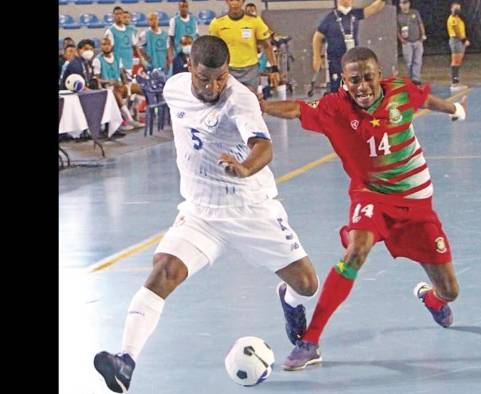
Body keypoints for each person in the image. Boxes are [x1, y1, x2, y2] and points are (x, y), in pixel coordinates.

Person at [93, 35, 320, 392]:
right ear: (189, 70)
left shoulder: (240, 99)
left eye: (221, 77)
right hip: (201, 212)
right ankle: (125, 360)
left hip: (249, 209)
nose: (214, 86)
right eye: (205, 78)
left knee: (306, 285)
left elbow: (263, 146)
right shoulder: (174, 88)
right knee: (163, 272)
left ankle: (288, 301)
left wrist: (245, 168)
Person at [260, 47, 467, 370]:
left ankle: (433, 298)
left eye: (368, 77)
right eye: (354, 80)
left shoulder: (399, 91)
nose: (362, 86)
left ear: (379, 74)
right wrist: (260, 106)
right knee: (356, 251)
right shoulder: (334, 107)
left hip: (416, 202)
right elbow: (297, 109)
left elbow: (423, 99)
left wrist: (452, 107)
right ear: (344, 80)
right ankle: (310, 341)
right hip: (371, 196)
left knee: (451, 291)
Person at [313, 0, 386, 93]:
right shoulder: (330, 17)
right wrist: (317, 56)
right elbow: (317, 37)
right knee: (337, 88)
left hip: (352, 60)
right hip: (336, 60)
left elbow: (373, 8)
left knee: (355, 86)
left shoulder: (355, 14)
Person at [208, 0, 280, 93]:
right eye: (231, 0)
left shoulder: (255, 21)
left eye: (238, 0)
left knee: (250, 101)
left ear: (243, 1)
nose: (235, 3)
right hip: (228, 69)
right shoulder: (217, 23)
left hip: (250, 70)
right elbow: (212, 49)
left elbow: (267, 46)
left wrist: (274, 68)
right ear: (226, 1)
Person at [92, 37, 144, 130]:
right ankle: (129, 119)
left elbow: (121, 72)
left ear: (111, 45)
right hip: (107, 88)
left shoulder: (116, 56)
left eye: (108, 44)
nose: (106, 47)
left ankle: (136, 110)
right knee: (116, 93)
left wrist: (125, 82)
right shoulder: (97, 60)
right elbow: (97, 79)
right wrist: (109, 81)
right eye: (104, 45)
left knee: (138, 87)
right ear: (101, 46)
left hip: (119, 85)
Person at [105, 6, 146, 73]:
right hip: (117, 65)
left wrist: (141, 58)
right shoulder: (110, 31)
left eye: (120, 14)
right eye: (116, 14)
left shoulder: (130, 30)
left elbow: (135, 46)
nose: (118, 16)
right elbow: (108, 50)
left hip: (129, 63)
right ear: (113, 16)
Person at [397, 0, 427, 85]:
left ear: (409, 4)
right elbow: (397, 30)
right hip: (407, 42)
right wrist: (401, 40)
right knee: (409, 61)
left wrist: (423, 35)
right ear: (400, 5)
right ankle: (410, 78)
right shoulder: (398, 16)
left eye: (406, 3)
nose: (404, 5)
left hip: (417, 40)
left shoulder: (415, 13)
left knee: (417, 61)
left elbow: (420, 24)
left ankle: (416, 79)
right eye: (402, 3)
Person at [167, 0, 198, 65]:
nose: (184, 8)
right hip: (178, 54)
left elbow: (196, 37)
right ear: (179, 7)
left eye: (186, 6)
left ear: (188, 7)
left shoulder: (194, 20)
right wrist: (170, 55)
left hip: (192, 54)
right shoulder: (174, 20)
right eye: (182, 6)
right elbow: (170, 40)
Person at [447, 1, 469, 91]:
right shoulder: (452, 19)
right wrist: (464, 40)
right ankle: (454, 84)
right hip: (456, 41)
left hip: (460, 41)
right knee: (455, 61)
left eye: (458, 8)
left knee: (458, 61)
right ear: (451, 9)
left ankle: (456, 82)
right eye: (455, 8)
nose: (457, 10)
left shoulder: (458, 18)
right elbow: (457, 32)